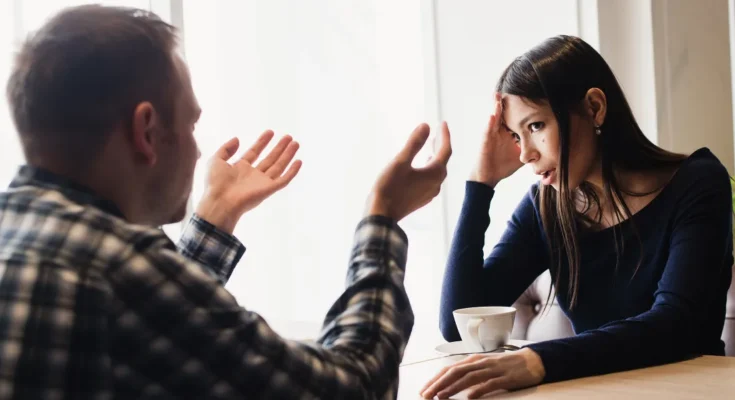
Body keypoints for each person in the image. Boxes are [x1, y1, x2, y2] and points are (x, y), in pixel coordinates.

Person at [0, 5, 452, 399]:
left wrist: (214, 217)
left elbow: (149, 331)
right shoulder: (118, 268)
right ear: (146, 130)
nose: (198, 151)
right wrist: (383, 217)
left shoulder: (24, 232)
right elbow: (353, 388)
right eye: (191, 123)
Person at [421, 35, 733, 399]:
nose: (525, 156)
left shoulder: (698, 182)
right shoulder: (545, 206)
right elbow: (459, 324)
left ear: (595, 107)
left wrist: (538, 360)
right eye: (515, 137)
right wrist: (480, 185)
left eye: (535, 126)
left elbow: (676, 325)